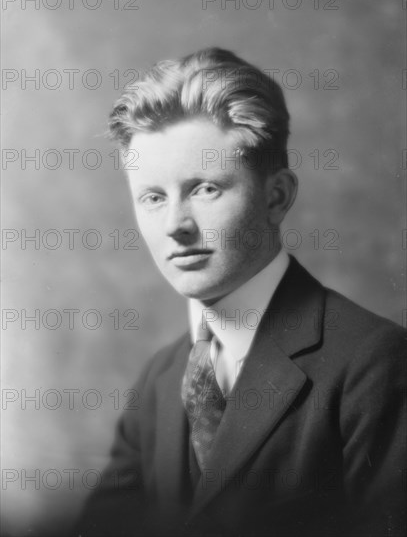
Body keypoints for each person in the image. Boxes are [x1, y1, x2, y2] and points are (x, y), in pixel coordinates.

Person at [75, 47, 406, 537]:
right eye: (152, 197)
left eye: (206, 189)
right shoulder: (160, 379)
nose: (175, 226)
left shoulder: (375, 364)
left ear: (277, 197)